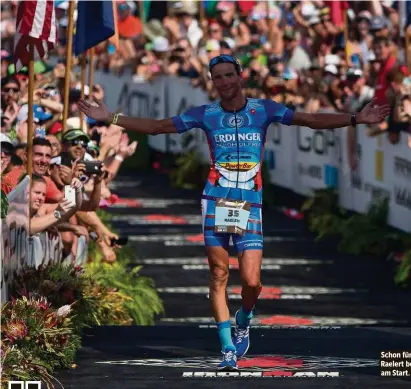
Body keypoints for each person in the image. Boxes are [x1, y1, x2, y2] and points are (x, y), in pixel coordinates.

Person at [77, 54, 389, 371]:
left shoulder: (263, 110)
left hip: (249, 202)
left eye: (229, 75)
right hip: (216, 200)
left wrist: (356, 119)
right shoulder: (207, 114)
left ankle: (244, 317)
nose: (225, 82)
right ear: (213, 82)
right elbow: (158, 127)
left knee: (252, 283)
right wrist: (110, 118)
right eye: (218, 77)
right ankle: (227, 348)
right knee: (219, 274)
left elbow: (309, 119)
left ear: (240, 76)